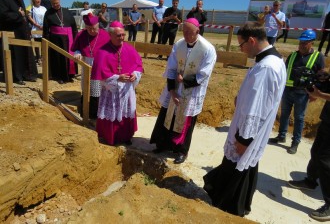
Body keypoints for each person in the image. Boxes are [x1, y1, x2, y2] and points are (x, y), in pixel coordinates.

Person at [203, 22, 286, 217]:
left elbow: (256, 108)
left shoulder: (266, 67)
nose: (241, 50)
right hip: (252, 131)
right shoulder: (274, 59)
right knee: (245, 167)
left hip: (247, 133)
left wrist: (243, 140)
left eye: (241, 45)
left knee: (236, 170)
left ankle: (229, 210)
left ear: (252, 40)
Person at [150, 18, 217, 164]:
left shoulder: (208, 49)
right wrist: (172, 90)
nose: (185, 35)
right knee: (167, 115)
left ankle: (181, 151)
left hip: (191, 91)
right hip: (175, 86)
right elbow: (171, 68)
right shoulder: (179, 44)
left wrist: (184, 80)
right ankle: (162, 144)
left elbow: (204, 74)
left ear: (197, 31)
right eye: (184, 31)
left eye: (189, 32)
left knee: (185, 120)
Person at [269, 30, 325, 154]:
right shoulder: (293, 55)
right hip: (288, 90)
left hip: (303, 93)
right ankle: (281, 136)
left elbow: (320, 76)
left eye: (305, 43)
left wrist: (316, 92)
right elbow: (284, 71)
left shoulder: (318, 57)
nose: (302, 45)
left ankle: (295, 142)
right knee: (284, 114)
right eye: (300, 42)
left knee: (299, 118)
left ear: (312, 43)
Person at [92, 21, 143, 146]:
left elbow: (139, 66)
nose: (122, 38)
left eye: (123, 35)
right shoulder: (102, 51)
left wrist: (135, 75)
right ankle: (111, 137)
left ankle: (126, 136)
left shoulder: (129, 49)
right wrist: (117, 78)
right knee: (112, 113)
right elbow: (101, 75)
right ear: (110, 35)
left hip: (126, 90)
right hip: (111, 91)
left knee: (127, 112)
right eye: (118, 35)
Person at [288, 83, 330, 222]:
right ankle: (310, 181)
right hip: (327, 120)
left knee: (325, 159)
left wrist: (319, 95)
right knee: (316, 151)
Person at [71, 13, 110, 119]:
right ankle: (84, 108)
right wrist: (78, 52)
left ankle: (95, 113)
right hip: (86, 62)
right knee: (85, 85)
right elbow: (76, 47)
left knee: (97, 88)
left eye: (94, 28)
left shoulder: (105, 34)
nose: (92, 31)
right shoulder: (81, 34)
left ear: (98, 25)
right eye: (89, 29)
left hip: (101, 64)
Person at [0, 0, 38, 85]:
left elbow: (23, 14)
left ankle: (27, 74)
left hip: (22, 32)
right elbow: (2, 15)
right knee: (15, 55)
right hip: (12, 32)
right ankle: (16, 77)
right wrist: (18, 14)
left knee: (25, 52)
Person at [43, 0, 78, 84]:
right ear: (51, 2)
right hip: (56, 40)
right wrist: (46, 41)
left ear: (59, 1)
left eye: (57, 3)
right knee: (58, 58)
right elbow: (46, 29)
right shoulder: (48, 13)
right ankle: (59, 76)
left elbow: (73, 26)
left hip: (68, 38)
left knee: (68, 57)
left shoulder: (67, 11)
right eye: (53, 3)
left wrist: (76, 37)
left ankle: (70, 75)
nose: (55, 5)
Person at [28, 0, 47, 65]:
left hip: (43, 28)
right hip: (36, 28)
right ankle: (38, 57)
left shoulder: (44, 8)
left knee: (43, 43)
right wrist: (37, 25)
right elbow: (29, 17)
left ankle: (42, 57)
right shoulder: (31, 8)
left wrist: (44, 26)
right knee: (36, 44)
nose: (38, 0)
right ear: (34, 0)